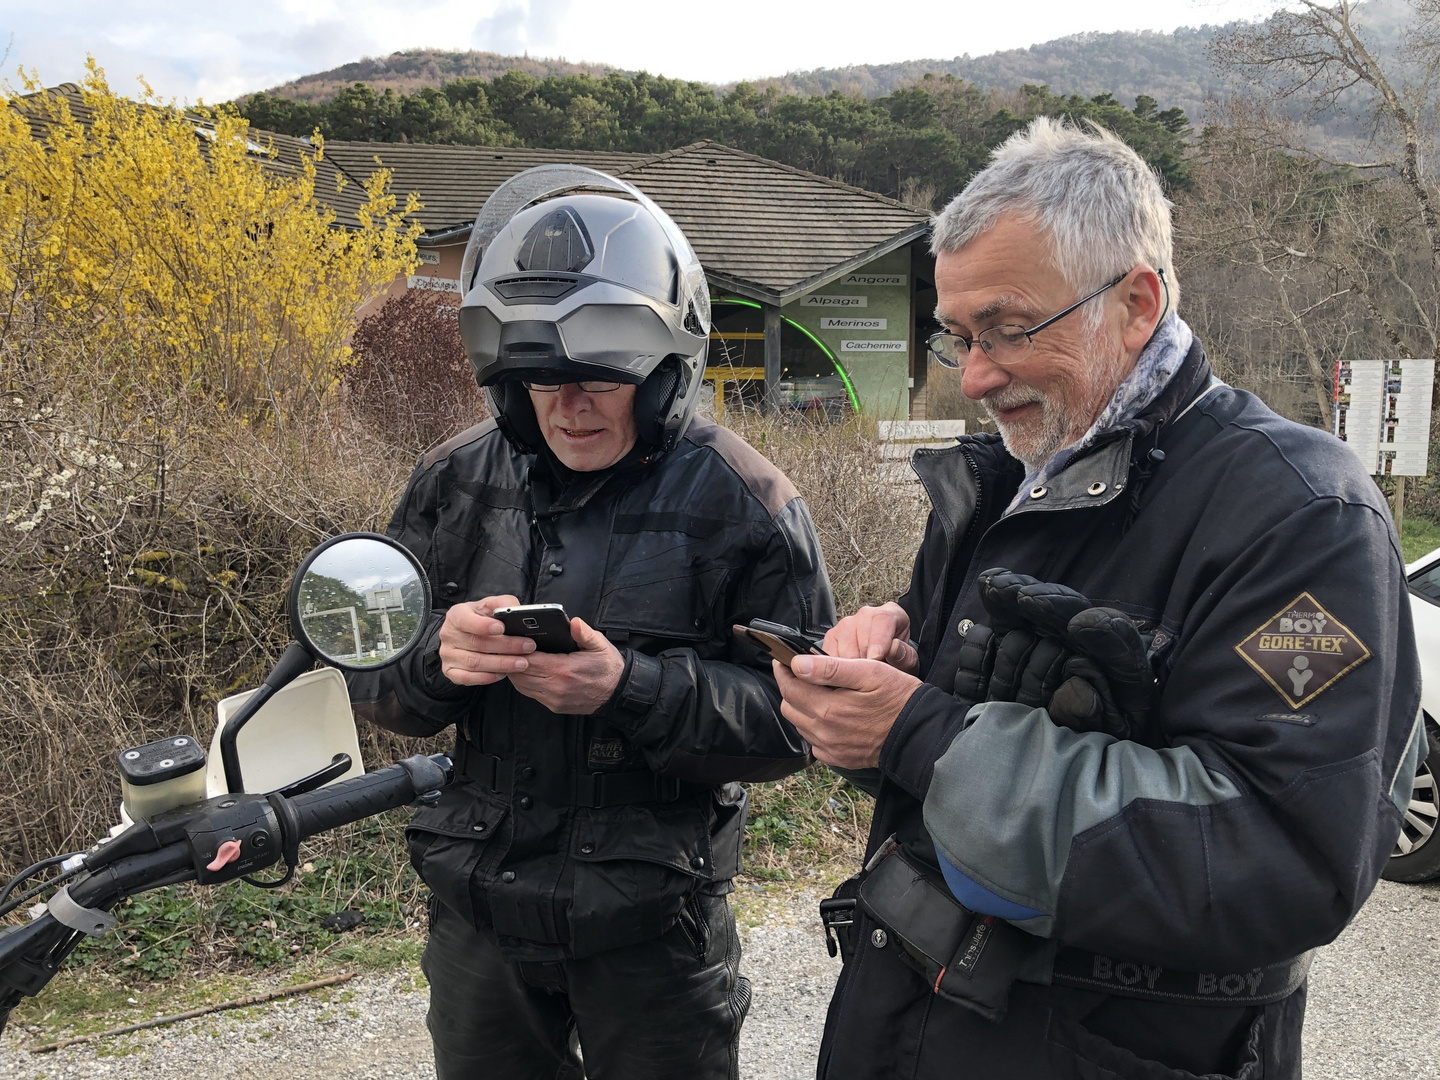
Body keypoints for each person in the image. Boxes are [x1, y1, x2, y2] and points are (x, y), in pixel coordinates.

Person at [776, 119, 1423, 1079]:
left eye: (1007, 327)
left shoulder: (1299, 512)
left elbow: (1288, 860)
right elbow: (945, 744)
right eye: (958, 337)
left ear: (1136, 301)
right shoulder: (1005, 474)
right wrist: (891, 676)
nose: (980, 375)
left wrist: (921, 735)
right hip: (906, 1022)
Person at [348, 165, 834, 1080]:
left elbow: (796, 723)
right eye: (542, 379)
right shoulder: (453, 482)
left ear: (661, 368)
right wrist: (438, 659)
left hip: (653, 920)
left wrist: (631, 689)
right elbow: (375, 673)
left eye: (600, 377)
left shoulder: (746, 501)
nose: (570, 406)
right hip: (478, 908)